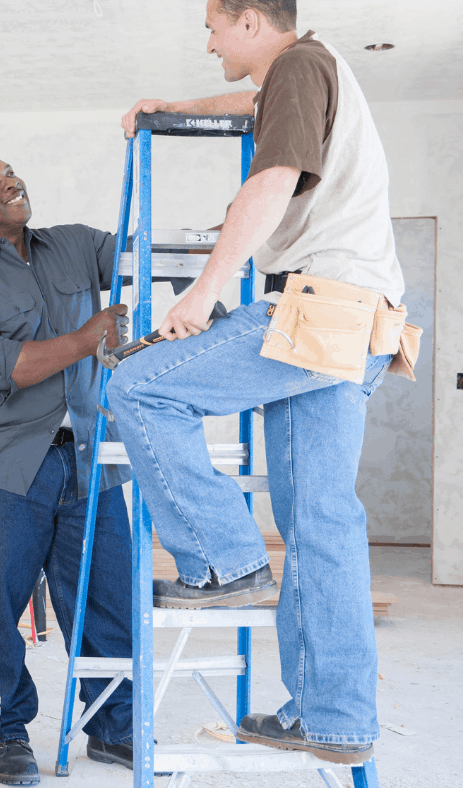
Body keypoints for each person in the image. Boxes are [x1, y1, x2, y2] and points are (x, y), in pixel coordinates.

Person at [110, 0, 406, 766]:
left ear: (249, 21)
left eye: (212, 27)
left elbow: (272, 178)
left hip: (320, 307)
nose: (207, 41)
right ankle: (335, 720)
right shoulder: (308, 72)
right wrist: (174, 104)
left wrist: (206, 291)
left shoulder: (302, 65)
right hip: (363, 321)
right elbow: (252, 106)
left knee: (140, 389)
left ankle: (223, 562)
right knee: (324, 522)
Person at [0, 151, 135, 785]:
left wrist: (223, 234)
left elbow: (142, 253)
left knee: (108, 602)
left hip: (88, 456)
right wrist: (89, 336)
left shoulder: (71, 245)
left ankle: (114, 728)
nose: (11, 181)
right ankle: (6, 730)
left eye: (10, 171)